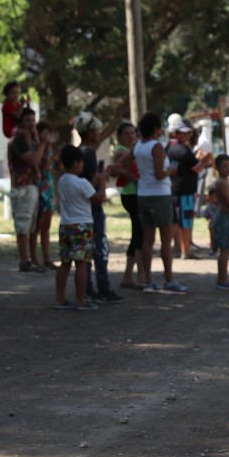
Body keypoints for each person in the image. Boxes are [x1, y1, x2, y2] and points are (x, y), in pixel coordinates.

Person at [133, 112, 186, 294]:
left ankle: (148, 280)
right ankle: (169, 279)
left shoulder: (138, 146)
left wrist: (134, 176)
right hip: (160, 195)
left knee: (148, 239)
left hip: (143, 194)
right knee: (166, 239)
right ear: (156, 128)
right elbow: (159, 174)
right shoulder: (156, 146)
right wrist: (171, 171)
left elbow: (124, 162)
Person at [75, 112, 124, 303]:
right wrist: (103, 177)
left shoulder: (79, 151)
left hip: (82, 207)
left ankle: (88, 287)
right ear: (89, 132)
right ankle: (102, 287)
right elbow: (92, 180)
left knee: (88, 249)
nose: (98, 133)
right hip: (92, 207)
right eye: (95, 129)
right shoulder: (88, 152)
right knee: (99, 248)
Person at [54, 145, 106, 312]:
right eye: (81, 162)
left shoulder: (63, 180)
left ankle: (60, 299)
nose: (83, 165)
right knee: (82, 263)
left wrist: (93, 183)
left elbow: (80, 192)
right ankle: (80, 301)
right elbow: (98, 199)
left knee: (65, 263)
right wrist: (102, 182)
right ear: (76, 163)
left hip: (66, 225)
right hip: (82, 226)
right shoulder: (82, 183)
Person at [7, 107, 51, 273]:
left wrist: (41, 142)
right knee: (23, 224)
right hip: (23, 186)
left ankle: (31, 260)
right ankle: (24, 261)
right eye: (27, 120)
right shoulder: (18, 141)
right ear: (20, 122)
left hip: (33, 185)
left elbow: (42, 161)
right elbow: (32, 160)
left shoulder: (31, 140)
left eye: (33, 120)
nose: (31, 124)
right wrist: (43, 143)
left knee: (32, 225)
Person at [112, 121, 146, 289]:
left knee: (137, 233)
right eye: (126, 133)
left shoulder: (132, 149)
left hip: (135, 194)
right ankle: (139, 275)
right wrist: (137, 179)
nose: (131, 136)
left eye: (132, 133)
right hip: (131, 194)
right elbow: (121, 170)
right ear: (119, 137)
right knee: (139, 234)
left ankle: (128, 275)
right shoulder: (121, 151)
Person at [166, 119, 202, 260]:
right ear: (176, 134)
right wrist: (205, 159)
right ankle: (186, 251)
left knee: (174, 222)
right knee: (186, 222)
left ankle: (174, 248)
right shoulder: (183, 150)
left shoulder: (168, 147)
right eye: (184, 133)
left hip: (172, 189)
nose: (187, 135)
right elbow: (198, 167)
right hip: (185, 190)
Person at [210, 154, 229, 291]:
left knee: (225, 249)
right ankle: (222, 279)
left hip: (226, 217)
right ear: (217, 168)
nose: (228, 168)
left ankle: (222, 278)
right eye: (224, 166)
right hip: (224, 218)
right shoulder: (222, 183)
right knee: (224, 250)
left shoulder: (224, 182)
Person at [35, 121, 60, 269]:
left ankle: (46, 257)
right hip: (41, 188)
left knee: (47, 225)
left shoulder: (50, 149)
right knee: (37, 226)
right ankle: (34, 258)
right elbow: (43, 166)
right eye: (47, 132)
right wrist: (54, 156)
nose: (51, 135)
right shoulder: (39, 148)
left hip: (49, 188)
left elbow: (57, 167)